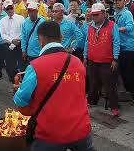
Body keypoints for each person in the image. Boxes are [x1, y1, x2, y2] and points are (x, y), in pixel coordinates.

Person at [14, 21, 93, 151]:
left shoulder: (35, 66)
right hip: (81, 131)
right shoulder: (78, 62)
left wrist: (18, 90)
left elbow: (20, 100)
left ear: (40, 40)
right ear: (61, 37)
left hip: (50, 135)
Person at [84, 3, 120, 116]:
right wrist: (85, 56)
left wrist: (115, 59)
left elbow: (116, 42)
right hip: (92, 60)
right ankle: (92, 100)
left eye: (97, 15)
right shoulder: (90, 26)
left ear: (104, 13)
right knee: (93, 83)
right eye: (93, 15)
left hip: (107, 61)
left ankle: (114, 106)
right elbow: (87, 42)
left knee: (110, 85)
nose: (94, 17)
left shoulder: (112, 25)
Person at [114, 0, 134, 101]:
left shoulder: (127, 13)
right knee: (122, 71)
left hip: (128, 46)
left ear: (124, 2)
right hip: (120, 46)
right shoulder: (115, 13)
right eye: (116, 0)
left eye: (120, 0)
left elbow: (130, 27)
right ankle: (129, 92)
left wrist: (116, 29)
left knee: (129, 72)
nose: (117, 2)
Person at [0, 0, 24, 83]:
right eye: (8, 9)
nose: (10, 10)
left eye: (11, 8)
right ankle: (14, 81)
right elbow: (3, 34)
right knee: (10, 65)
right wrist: (11, 41)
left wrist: (17, 40)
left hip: (19, 44)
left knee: (21, 64)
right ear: (5, 10)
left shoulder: (20, 18)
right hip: (8, 45)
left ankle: (23, 81)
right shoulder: (2, 20)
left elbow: (23, 32)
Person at [21, 2, 45, 66]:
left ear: (37, 11)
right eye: (29, 10)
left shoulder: (42, 22)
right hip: (29, 54)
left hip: (40, 54)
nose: (30, 12)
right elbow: (23, 37)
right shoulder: (25, 22)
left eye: (32, 10)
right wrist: (23, 50)